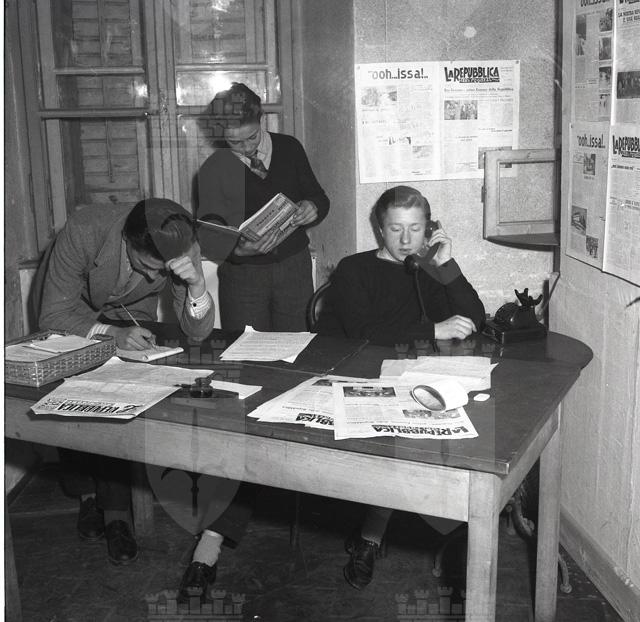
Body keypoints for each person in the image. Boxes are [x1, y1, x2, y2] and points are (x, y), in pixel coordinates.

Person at [316, 185, 485, 589]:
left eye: (416, 229)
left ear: (430, 229)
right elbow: (363, 331)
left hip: (409, 377)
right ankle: (378, 533)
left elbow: (475, 316)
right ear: (380, 228)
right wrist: (433, 330)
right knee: (405, 440)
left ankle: (382, 529)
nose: (406, 240)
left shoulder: (427, 269)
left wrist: (446, 265)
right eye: (396, 229)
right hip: (355, 378)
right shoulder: (353, 269)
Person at [38, 198, 215, 565]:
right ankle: (87, 496)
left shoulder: (181, 241)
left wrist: (198, 285)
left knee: (120, 397)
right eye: (147, 266)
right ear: (126, 240)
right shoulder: (84, 229)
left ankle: (117, 514)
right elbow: (53, 314)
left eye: (160, 270)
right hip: (71, 309)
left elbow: (196, 332)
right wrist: (109, 334)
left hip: (130, 312)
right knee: (73, 390)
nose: (154, 278)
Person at [197, 82, 330, 331]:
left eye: (252, 137)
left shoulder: (290, 148)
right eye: (235, 142)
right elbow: (209, 233)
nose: (248, 148)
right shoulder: (214, 169)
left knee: (296, 345)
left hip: (294, 269)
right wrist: (239, 251)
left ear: (262, 120)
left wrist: (313, 207)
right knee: (247, 347)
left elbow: (319, 197)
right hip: (243, 277)